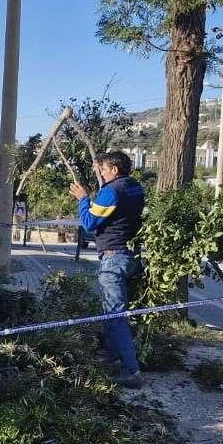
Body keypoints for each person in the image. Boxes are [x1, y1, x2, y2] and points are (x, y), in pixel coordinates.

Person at [70, 151, 145, 386]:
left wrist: (83, 199)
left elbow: (90, 223)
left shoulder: (111, 191)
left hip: (114, 258)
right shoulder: (135, 187)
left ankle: (131, 371)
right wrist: (97, 169)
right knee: (112, 311)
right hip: (131, 256)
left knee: (115, 314)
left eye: (103, 169)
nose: (101, 173)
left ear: (114, 169)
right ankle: (112, 357)